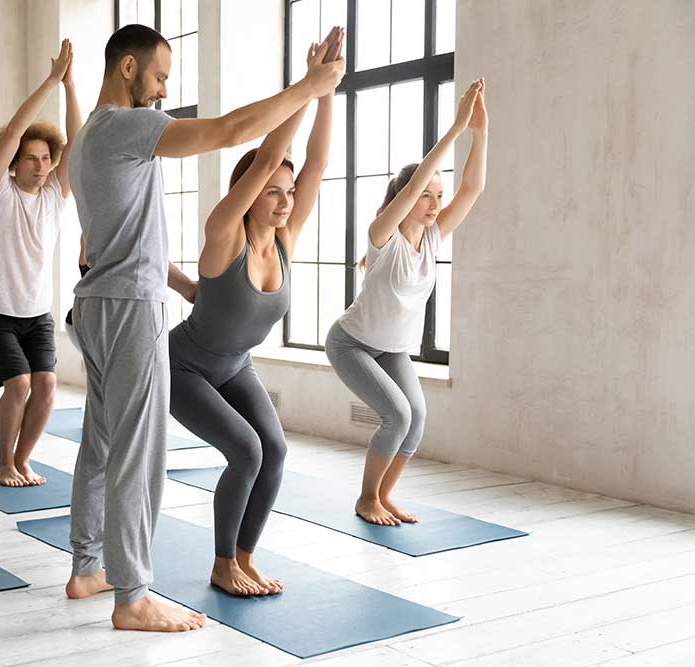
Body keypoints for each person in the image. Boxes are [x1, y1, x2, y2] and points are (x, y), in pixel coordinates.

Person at [64, 23, 344, 632]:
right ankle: (132, 594)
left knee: (102, 443)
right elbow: (231, 133)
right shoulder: (125, 125)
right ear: (130, 68)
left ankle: (88, 566)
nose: (164, 92)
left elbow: (118, 234)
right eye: (161, 76)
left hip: (101, 303)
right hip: (128, 309)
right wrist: (309, 86)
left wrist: (186, 287)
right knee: (138, 453)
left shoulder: (89, 135)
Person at [169, 28, 343, 596]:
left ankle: (243, 558)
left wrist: (328, 91)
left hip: (236, 365)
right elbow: (271, 153)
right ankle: (221, 565)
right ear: (248, 191)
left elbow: (313, 163)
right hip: (184, 368)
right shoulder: (225, 235)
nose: (285, 197)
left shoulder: (285, 239)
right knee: (244, 450)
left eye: (288, 191)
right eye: (272, 190)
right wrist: (305, 85)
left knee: (276, 451)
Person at [325, 79, 487, 526]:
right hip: (351, 344)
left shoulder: (433, 238)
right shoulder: (384, 236)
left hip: (390, 347)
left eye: (438, 194)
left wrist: (480, 133)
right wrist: (453, 130)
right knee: (395, 415)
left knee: (416, 419)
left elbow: (472, 188)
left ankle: (384, 495)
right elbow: (416, 183)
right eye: (425, 195)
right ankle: (365, 499)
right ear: (405, 199)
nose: (435, 202)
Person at [0, 39, 82, 487]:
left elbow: (79, 140)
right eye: (30, 159)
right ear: (14, 164)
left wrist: (71, 86)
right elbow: (14, 131)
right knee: (18, 385)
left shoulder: (55, 194)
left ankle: (22, 459)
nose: (39, 164)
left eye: (45, 158)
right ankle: (2, 464)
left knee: (47, 386)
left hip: (36, 312)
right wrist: (50, 80)